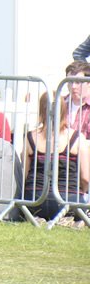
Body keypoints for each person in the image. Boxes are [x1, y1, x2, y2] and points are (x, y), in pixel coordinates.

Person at [23, 92, 90, 222]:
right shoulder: (77, 138)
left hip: (35, 200)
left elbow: (25, 174)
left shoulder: (30, 137)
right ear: (64, 110)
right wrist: (82, 192)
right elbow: (86, 178)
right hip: (68, 201)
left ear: (41, 110)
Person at [65, 60, 90, 139]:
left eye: (78, 82)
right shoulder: (59, 104)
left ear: (88, 83)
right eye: (69, 82)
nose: (73, 86)